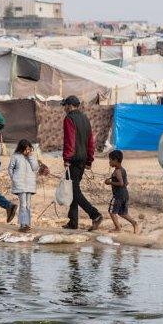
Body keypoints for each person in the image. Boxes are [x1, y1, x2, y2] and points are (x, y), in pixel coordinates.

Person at [61, 95, 102, 231]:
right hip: (83, 159)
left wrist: (66, 159)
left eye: (65, 105)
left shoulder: (69, 119)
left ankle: (95, 215)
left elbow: (70, 141)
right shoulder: (85, 119)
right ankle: (73, 222)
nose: (64, 108)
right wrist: (89, 159)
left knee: (74, 190)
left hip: (73, 159)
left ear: (69, 105)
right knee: (74, 189)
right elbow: (91, 141)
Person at [8, 139, 46, 232]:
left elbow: (35, 168)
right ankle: (23, 225)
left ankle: (27, 224)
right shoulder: (15, 156)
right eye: (26, 149)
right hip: (20, 184)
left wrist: (31, 157)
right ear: (21, 148)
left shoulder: (32, 156)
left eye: (29, 149)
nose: (28, 151)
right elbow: (10, 168)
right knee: (23, 204)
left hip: (30, 184)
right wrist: (14, 178)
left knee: (28, 204)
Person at [104, 150, 139, 234]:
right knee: (122, 213)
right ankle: (134, 223)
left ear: (115, 160)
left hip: (118, 195)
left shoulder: (117, 171)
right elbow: (126, 183)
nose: (109, 162)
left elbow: (121, 183)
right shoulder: (123, 170)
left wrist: (110, 183)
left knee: (111, 212)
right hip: (125, 194)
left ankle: (118, 228)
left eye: (110, 160)